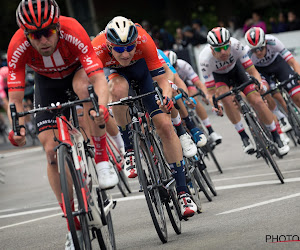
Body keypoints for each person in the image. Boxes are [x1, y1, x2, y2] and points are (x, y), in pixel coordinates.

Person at [7, 1, 118, 249]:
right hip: (47, 83)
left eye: (48, 32)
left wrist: (101, 106)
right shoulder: (18, 45)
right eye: (35, 35)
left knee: (84, 89)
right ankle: (72, 224)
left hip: (77, 73)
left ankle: (101, 159)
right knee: (50, 152)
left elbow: (98, 78)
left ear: (57, 27)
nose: (43, 40)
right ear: (26, 35)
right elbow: (15, 98)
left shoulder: (73, 30)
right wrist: (19, 128)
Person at [92, 16, 197, 217]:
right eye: (119, 49)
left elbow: (163, 79)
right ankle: (129, 149)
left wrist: (166, 97)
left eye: (130, 48)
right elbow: (93, 85)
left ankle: (183, 193)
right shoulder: (97, 47)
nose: (125, 53)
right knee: (118, 90)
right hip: (118, 76)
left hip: (145, 74)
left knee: (164, 126)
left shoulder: (143, 39)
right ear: (108, 45)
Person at [199, 27, 289, 156]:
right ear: (212, 49)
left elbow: (252, 72)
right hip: (220, 77)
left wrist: (260, 84)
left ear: (229, 43)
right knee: (225, 99)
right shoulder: (205, 59)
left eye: (225, 47)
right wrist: (215, 105)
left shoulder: (236, 45)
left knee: (257, 101)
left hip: (238, 71)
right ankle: (244, 137)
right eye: (218, 49)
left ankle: (276, 136)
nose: (223, 51)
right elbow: (211, 92)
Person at [244, 27, 300, 128]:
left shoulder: (273, 42)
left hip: (278, 64)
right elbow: (251, 75)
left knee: (297, 96)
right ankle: (282, 117)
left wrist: (298, 75)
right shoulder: (247, 54)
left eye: (261, 48)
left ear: (265, 42)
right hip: (261, 71)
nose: (258, 52)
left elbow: (292, 62)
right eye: (254, 50)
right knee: (265, 89)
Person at [164, 50, 223, 145]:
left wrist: (206, 96)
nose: (174, 69)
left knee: (193, 96)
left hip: (186, 84)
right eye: (172, 67)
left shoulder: (183, 65)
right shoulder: (164, 69)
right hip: (171, 86)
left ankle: (211, 131)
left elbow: (198, 83)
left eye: (175, 66)